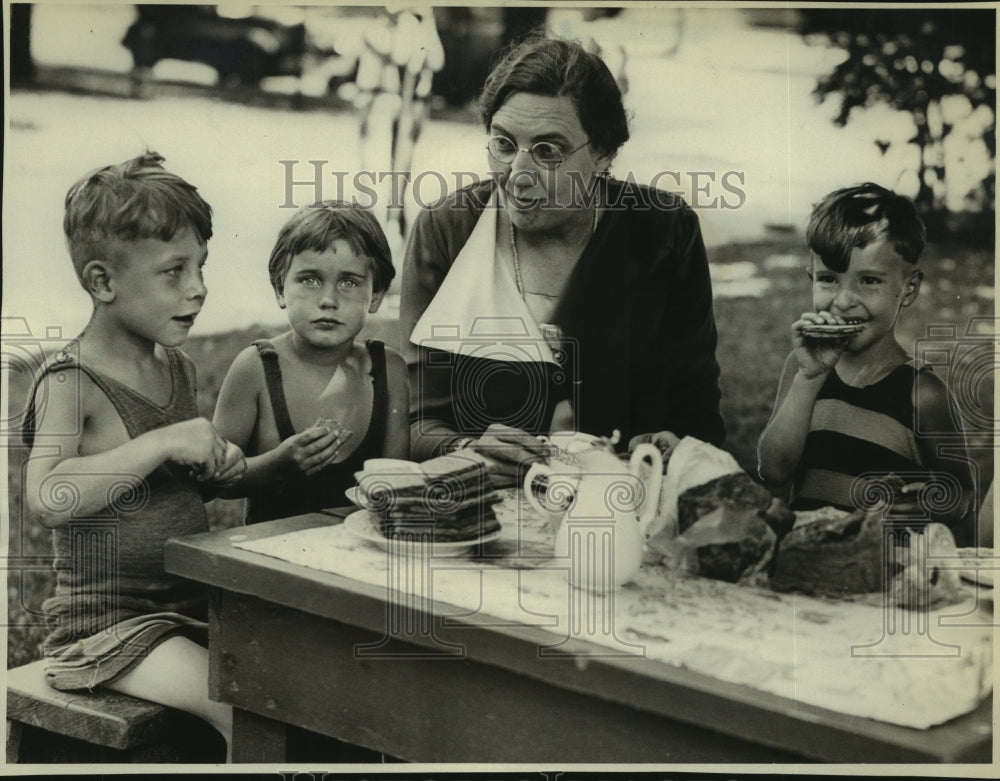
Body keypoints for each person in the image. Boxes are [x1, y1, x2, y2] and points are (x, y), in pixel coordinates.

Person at [399, 36, 724, 477]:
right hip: (478, 511)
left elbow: (697, 414)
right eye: (504, 144)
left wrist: (670, 443)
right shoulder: (447, 229)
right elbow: (416, 421)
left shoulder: (665, 230)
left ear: (604, 152)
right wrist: (468, 448)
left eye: (548, 151)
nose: (517, 176)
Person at [21, 152, 244, 755]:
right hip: (107, 630)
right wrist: (164, 440)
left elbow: (172, 488)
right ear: (102, 282)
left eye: (201, 266)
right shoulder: (73, 379)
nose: (198, 287)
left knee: (291, 678)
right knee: (238, 704)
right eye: (174, 271)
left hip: (188, 611)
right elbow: (47, 496)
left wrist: (238, 467)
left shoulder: (175, 366)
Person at [757, 183, 978, 545]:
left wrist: (923, 503)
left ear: (908, 289)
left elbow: (963, 496)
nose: (844, 301)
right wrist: (809, 378)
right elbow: (773, 471)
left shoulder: (922, 394)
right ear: (811, 279)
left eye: (869, 281)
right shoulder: (803, 371)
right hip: (807, 565)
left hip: (884, 576)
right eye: (829, 279)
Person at [213, 201, 409, 523]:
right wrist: (277, 464)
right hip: (273, 559)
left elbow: (395, 483)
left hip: (363, 558)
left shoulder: (388, 369)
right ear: (280, 288)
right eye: (310, 280)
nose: (328, 300)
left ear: (375, 296)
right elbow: (215, 480)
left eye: (349, 282)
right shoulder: (257, 368)